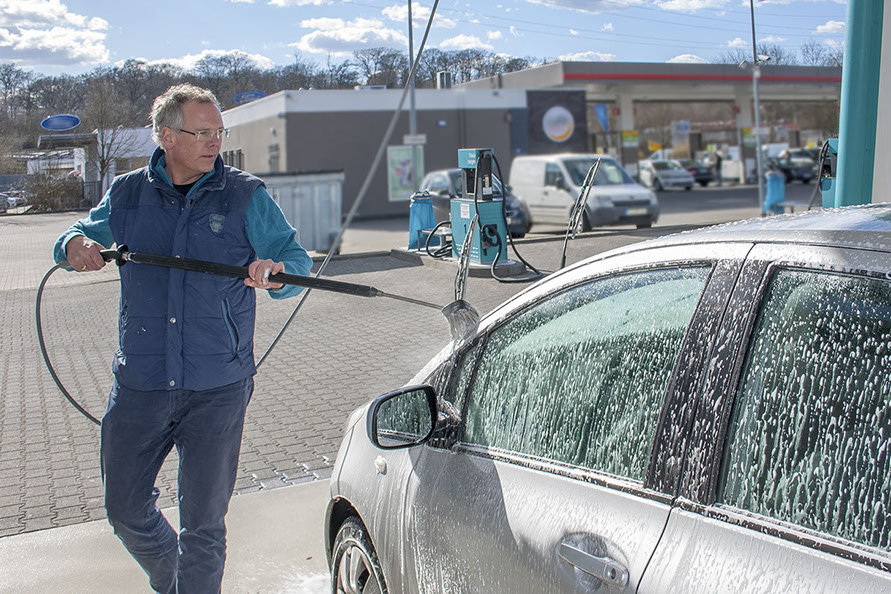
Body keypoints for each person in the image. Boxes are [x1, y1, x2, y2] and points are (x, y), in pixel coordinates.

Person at [52, 84, 313, 593]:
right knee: (124, 508)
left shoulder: (245, 194)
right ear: (167, 135)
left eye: (219, 131)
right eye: (202, 132)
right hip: (141, 381)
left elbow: (295, 262)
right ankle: (176, 581)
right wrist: (75, 245)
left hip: (218, 385)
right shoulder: (126, 193)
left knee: (203, 527)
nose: (215, 141)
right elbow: (74, 236)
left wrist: (277, 271)